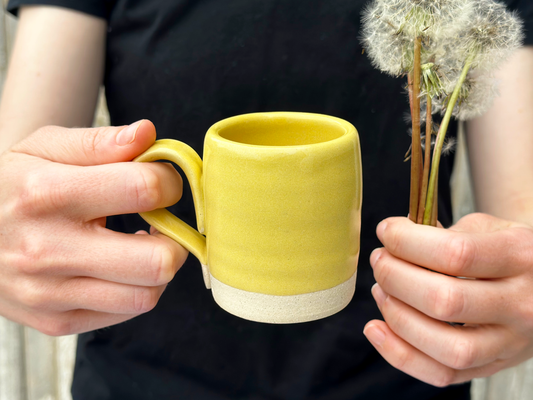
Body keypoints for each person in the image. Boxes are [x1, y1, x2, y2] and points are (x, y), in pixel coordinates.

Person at [0, 0, 532, 399]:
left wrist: (516, 283)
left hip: (398, 381)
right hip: (139, 382)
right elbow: (22, 175)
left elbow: (521, 216)